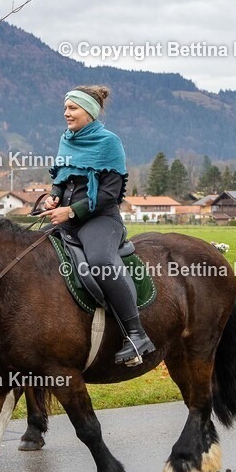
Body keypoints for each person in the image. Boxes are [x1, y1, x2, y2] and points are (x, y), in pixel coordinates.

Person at [39, 85, 154, 365]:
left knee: (101, 261)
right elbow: (62, 178)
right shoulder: (67, 139)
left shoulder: (109, 143)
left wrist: (71, 212)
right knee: (32, 251)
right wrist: (54, 197)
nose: (66, 113)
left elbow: (109, 195)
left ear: (89, 112)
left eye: (72, 108)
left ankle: (136, 335)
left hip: (101, 220)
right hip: (66, 219)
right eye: (65, 108)